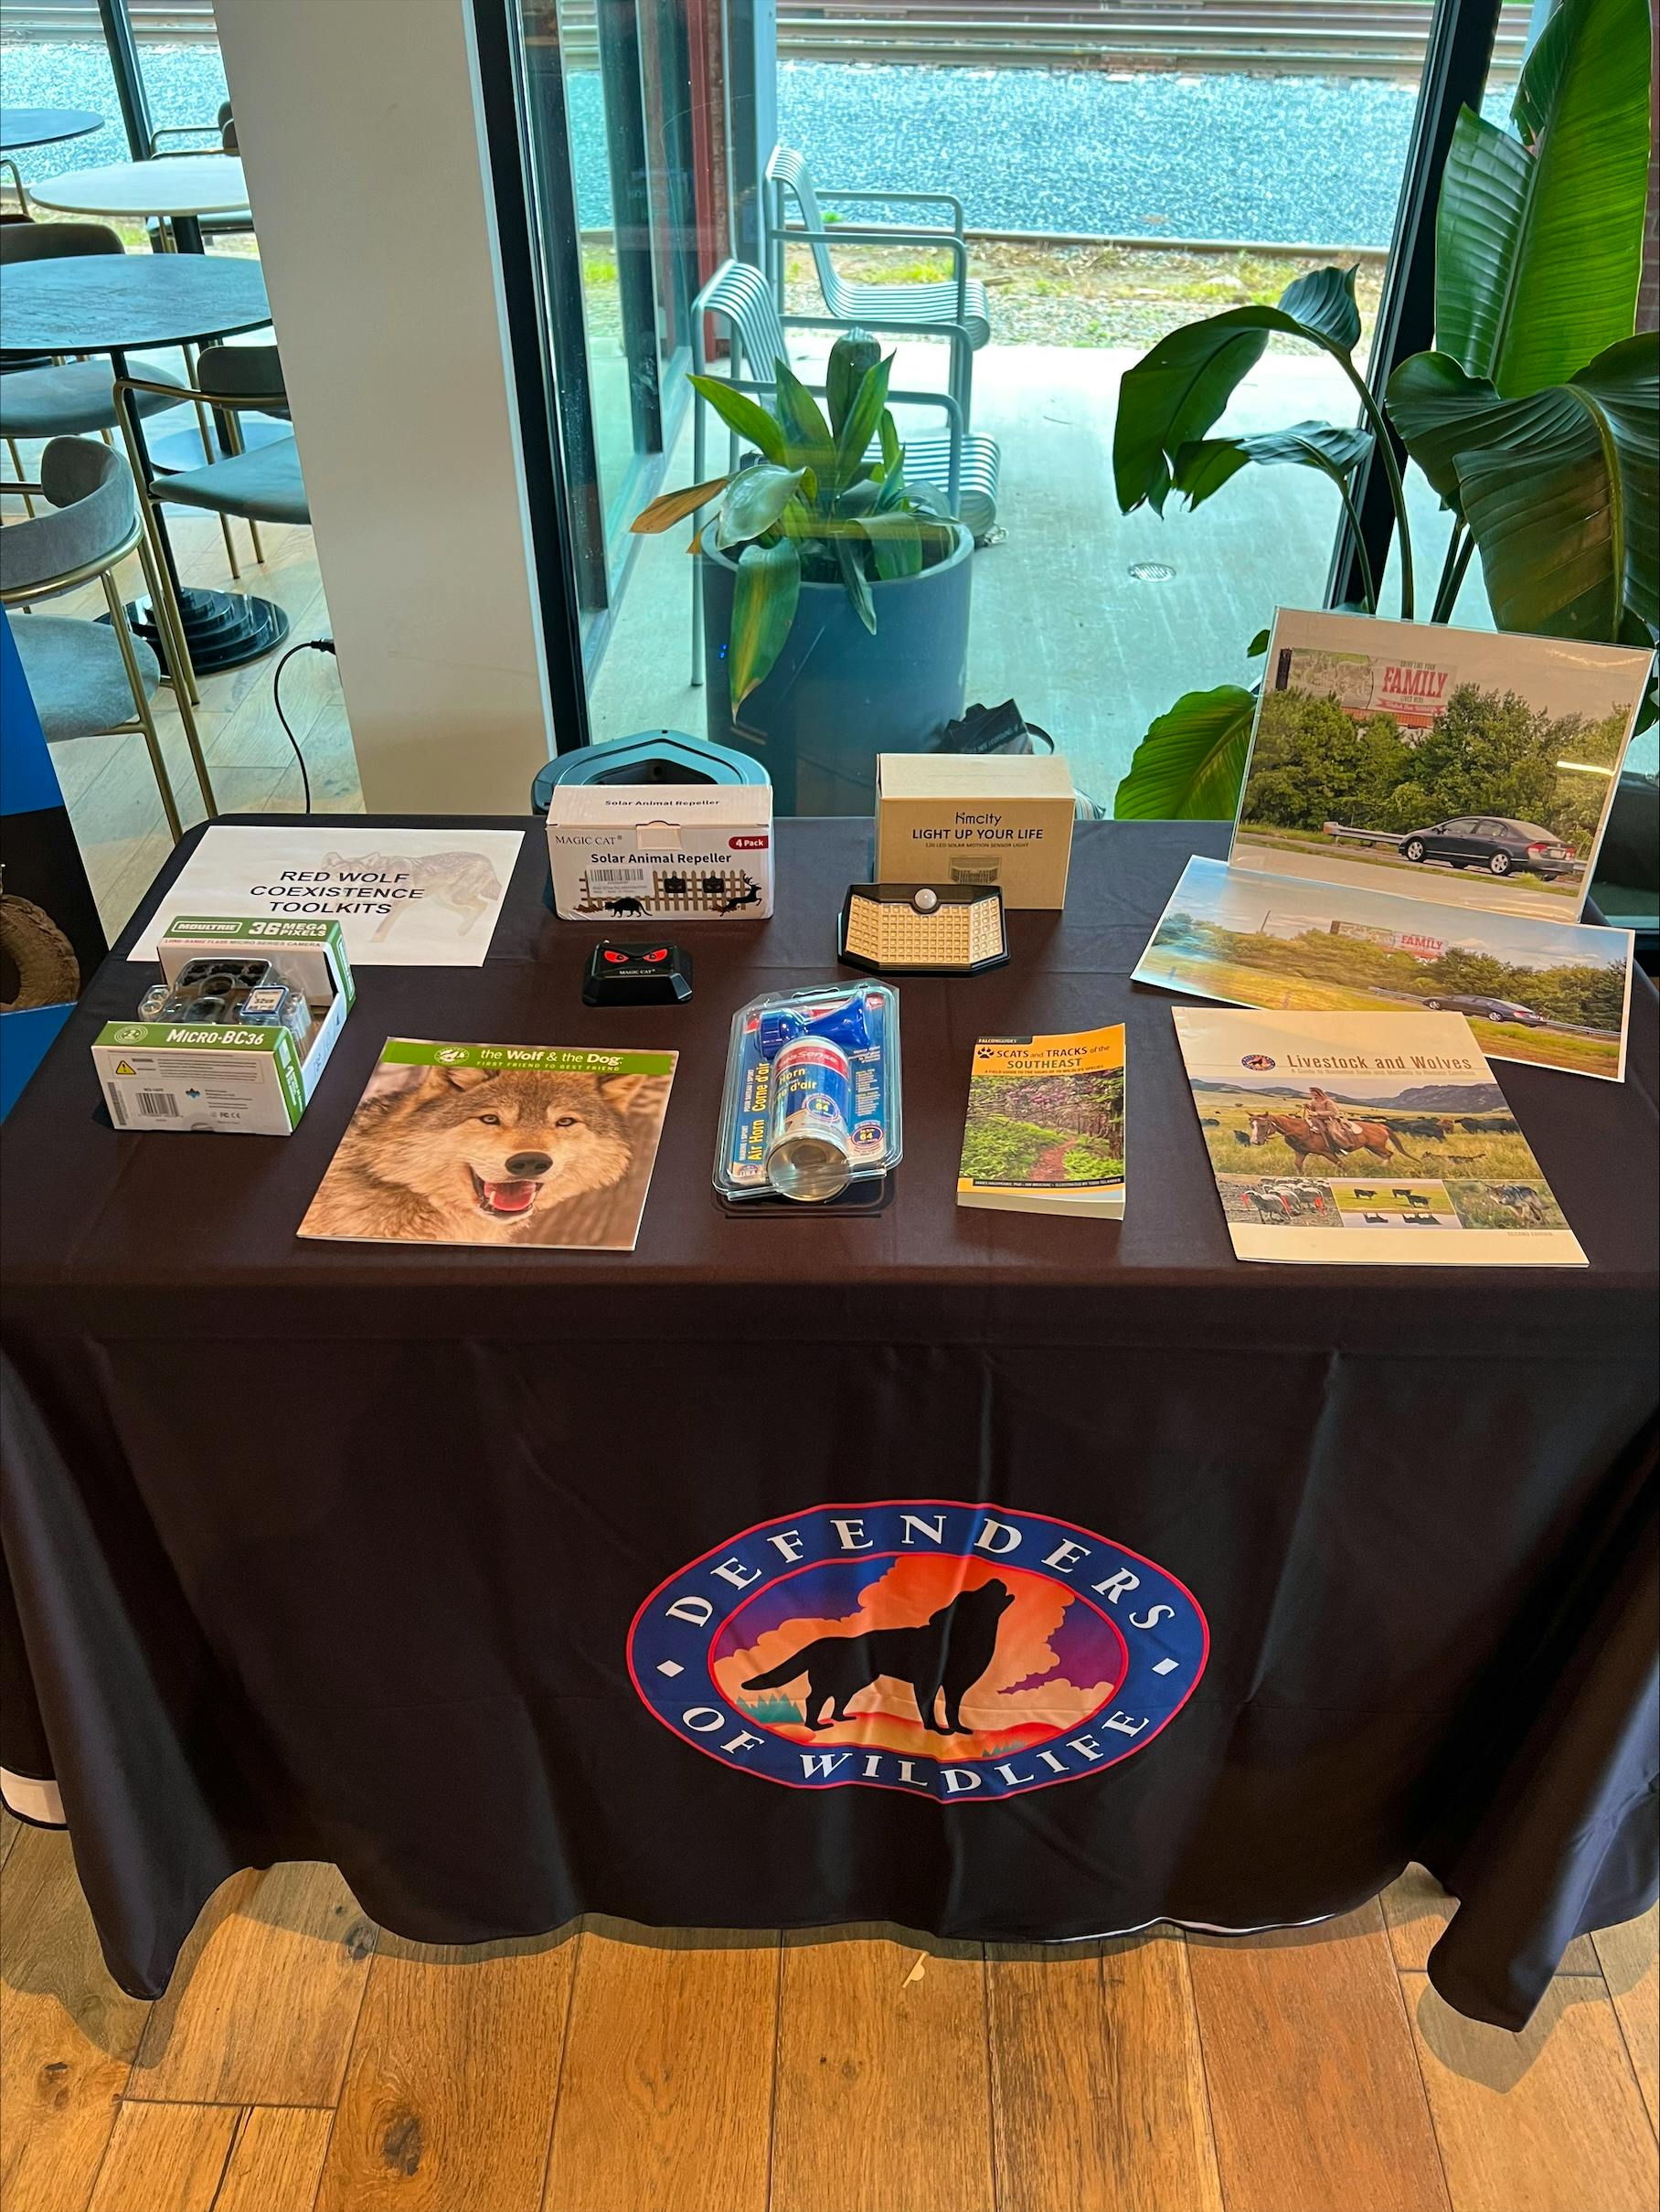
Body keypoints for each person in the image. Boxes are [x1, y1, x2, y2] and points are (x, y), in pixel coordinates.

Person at [1304, 1086, 1359, 1155]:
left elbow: (1333, 1112)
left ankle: (1342, 1147)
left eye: (1315, 1094)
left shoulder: (1328, 1102)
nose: (1314, 1096)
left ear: (1319, 1093)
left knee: (1332, 1132)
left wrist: (1317, 1113)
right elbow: (1314, 1109)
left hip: (1330, 1120)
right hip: (1317, 1119)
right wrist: (1309, 1107)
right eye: (1312, 1094)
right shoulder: (1313, 1101)